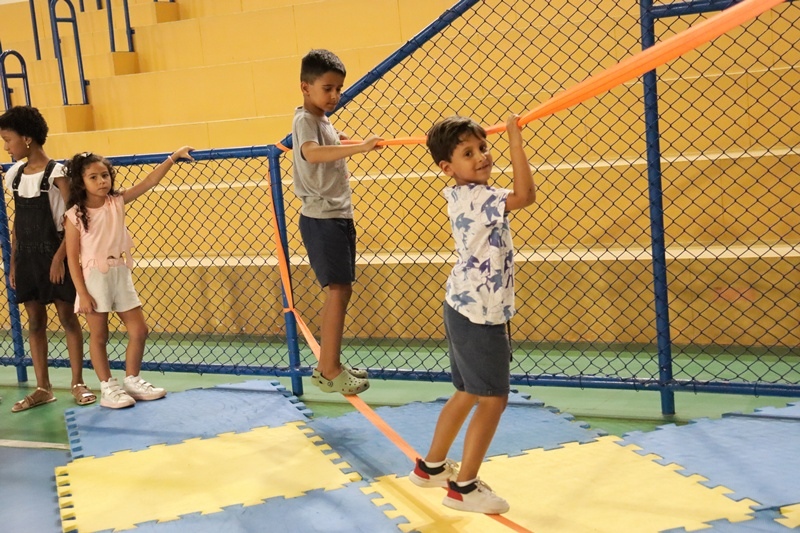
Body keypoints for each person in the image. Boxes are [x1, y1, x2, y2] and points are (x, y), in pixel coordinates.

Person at [408, 114, 536, 514]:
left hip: (462, 305)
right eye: (468, 153)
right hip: (479, 314)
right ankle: (463, 488)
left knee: (467, 391)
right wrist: (515, 141)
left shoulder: (464, 195)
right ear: (448, 167)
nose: (481, 157)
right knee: (493, 398)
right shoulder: (481, 199)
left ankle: (431, 467)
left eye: (483, 148)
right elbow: (526, 195)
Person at [63, 147, 193, 408]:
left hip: (120, 272)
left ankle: (132, 380)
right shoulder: (74, 215)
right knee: (99, 335)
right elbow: (72, 258)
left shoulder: (116, 201)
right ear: (81, 182)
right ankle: (108, 388)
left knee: (139, 329)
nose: (101, 181)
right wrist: (83, 293)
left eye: (105, 175)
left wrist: (173, 157)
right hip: (94, 277)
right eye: (93, 177)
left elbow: (149, 181)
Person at [291, 49, 382, 395]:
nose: (335, 96)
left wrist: (346, 140)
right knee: (338, 291)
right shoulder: (305, 120)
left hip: (339, 215)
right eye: (327, 88)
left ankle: (332, 364)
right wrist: (359, 148)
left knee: (342, 290)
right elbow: (312, 153)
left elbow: (326, 144)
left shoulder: (324, 122)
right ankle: (327, 369)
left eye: (339, 89)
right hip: (322, 218)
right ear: (305, 87)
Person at [0, 105, 95, 412]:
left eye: (8, 139)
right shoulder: (14, 175)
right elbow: (17, 224)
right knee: (35, 322)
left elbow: (73, 219)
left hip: (56, 253)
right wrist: (14, 262)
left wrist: (59, 258)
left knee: (68, 318)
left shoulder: (58, 174)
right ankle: (43, 387)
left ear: (27, 138)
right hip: (27, 257)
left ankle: (78, 382)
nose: (6, 147)